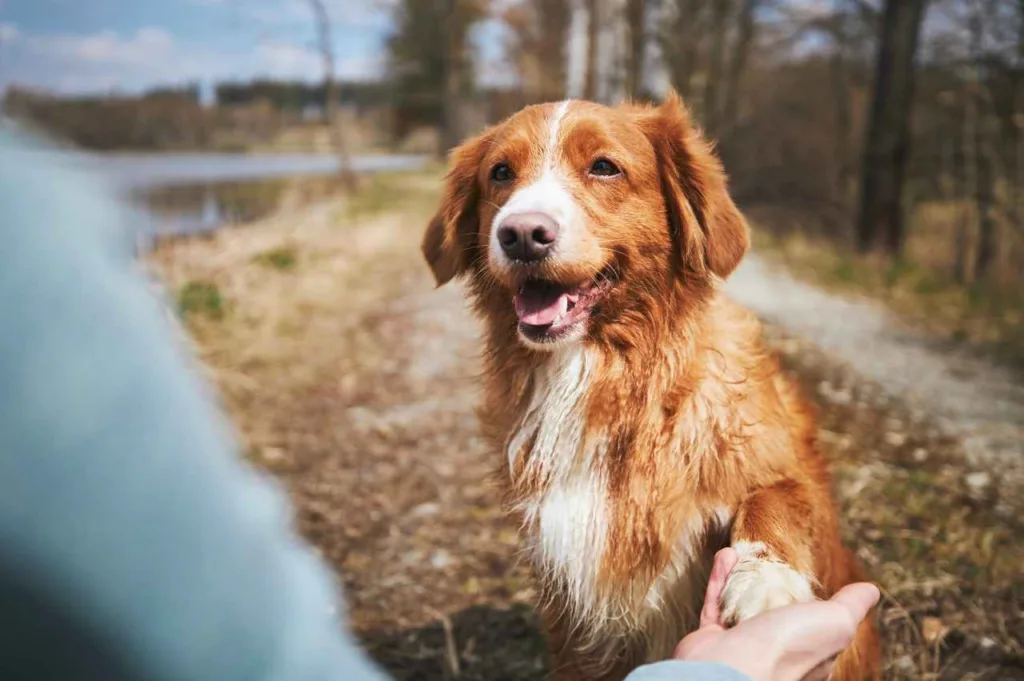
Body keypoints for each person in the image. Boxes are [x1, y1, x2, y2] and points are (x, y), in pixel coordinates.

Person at [0, 128, 878, 681]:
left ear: (673, 210)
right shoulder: (525, 392)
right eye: (504, 178)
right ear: (473, 218)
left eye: (602, 169)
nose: (528, 217)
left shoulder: (730, 387)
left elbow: (793, 492)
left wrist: (764, 548)